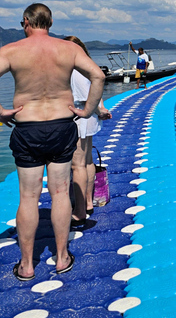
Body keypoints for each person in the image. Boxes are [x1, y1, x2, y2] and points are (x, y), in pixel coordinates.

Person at [0, 4, 105, 281]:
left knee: (29, 197)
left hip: (28, 128)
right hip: (61, 126)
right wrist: (88, 110)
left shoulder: (11, 51)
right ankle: (62, 257)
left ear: (25, 22)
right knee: (59, 193)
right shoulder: (69, 50)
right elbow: (98, 76)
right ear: (51, 22)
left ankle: (27, 265)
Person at [64, 36, 112, 226]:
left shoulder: (75, 71)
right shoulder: (86, 67)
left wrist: (100, 111)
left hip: (81, 117)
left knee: (77, 165)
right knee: (87, 160)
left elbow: (85, 96)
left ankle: (80, 208)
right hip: (88, 117)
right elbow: (96, 89)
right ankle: (89, 202)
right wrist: (101, 110)